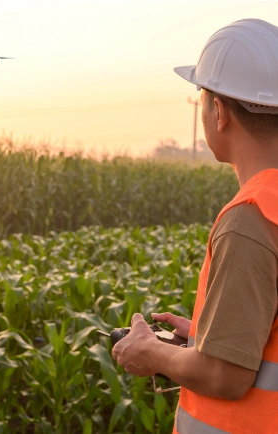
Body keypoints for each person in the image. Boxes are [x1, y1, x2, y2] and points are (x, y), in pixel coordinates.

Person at [112, 18, 278, 434]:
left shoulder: (251, 217)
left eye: (203, 98)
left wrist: (153, 353)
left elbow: (225, 375)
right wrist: (212, 333)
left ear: (219, 112)